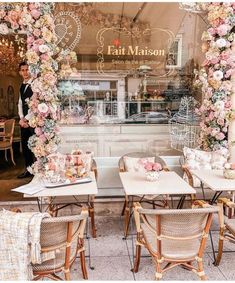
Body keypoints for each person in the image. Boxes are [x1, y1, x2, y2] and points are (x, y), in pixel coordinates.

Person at [17, 62, 34, 178]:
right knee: (26, 147)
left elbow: (34, 105)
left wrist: (27, 119)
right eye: (23, 70)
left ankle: (37, 170)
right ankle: (28, 170)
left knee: (35, 147)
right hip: (24, 122)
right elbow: (20, 103)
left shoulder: (35, 85)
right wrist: (21, 118)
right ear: (20, 72)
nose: (25, 72)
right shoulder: (22, 85)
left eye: (27, 69)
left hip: (33, 122)